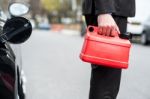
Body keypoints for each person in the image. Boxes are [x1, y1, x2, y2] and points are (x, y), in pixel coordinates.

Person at [82, 0, 135, 99]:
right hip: (110, 10)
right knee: (106, 90)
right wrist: (104, 11)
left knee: (107, 87)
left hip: (115, 10)